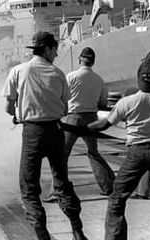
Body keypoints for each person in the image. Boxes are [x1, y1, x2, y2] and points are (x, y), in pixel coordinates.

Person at [1, 31, 91, 240]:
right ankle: (79, 233)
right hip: (55, 131)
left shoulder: (19, 71)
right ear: (48, 49)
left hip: (32, 133)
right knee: (62, 183)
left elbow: (8, 107)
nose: (57, 52)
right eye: (56, 48)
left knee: (29, 189)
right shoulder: (59, 73)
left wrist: (17, 113)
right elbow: (64, 108)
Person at [86, 51, 150, 240]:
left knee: (118, 195)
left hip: (135, 152)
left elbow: (104, 124)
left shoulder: (127, 102)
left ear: (139, 78)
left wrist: (83, 127)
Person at [44, 47, 115, 203]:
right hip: (91, 118)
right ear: (93, 61)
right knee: (93, 152)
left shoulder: (71, 76)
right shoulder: (99, 79)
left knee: (62, 155)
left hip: (73, 118)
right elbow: (103, 102)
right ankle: (108, 186)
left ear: (79, 60)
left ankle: (57, 191)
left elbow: (62, 96)